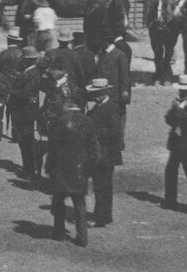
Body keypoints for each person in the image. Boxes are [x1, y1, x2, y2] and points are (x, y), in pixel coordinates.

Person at [46, 94, 98, 246]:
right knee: (79, 203)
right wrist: (89, 167)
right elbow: (93, 148)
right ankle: (82, 236)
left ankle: (58, 232)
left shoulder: (61, 121)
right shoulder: (88, 121)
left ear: (68, 105)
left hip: (62, 167)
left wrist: (49, 166)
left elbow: (53, 147)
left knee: (58, 200)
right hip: (80, 168)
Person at [86, 78, 123, 227]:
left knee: (103, 186)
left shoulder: (111, 108)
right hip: (101, 153)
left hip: (107, 154)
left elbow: (115, 132)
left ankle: (101, 217)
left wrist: (94, 131)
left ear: (104, 92)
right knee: (100, 186)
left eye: (97, 93)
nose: (94, 96)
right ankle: (103, 216)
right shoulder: (98, 107)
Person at [163, 74, 187, 211]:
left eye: (184, 90)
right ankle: (170, 201)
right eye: (181, 90)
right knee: (170, 172)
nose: (181, 92)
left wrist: (179, 111)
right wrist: (175, 111)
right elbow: (168, 120)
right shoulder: (176, 103)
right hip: (175, 142)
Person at [9, 46, 42, 175]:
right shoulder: (31, 72)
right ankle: (28, 166)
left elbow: (27, 93)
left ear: (28, 60)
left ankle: (29, 168)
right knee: (25, 140)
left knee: (26, 141)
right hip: (27, 111)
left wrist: (12, 92)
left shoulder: (31, 74)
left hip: (25, 112)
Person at [96, 31, 131, 141]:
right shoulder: (101, 54)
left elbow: (125, 75)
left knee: (119, 116)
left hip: (117, 93)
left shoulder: (120, 55)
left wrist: (125, 91)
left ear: (106, 41)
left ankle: (119, 140)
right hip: (105, 92)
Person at [0, 28, 24, 141]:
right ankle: (15, 135)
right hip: (16, 86)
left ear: (8, 40)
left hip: (2, 85)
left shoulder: (4, 53)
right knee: (15, 110)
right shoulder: (21, 54)